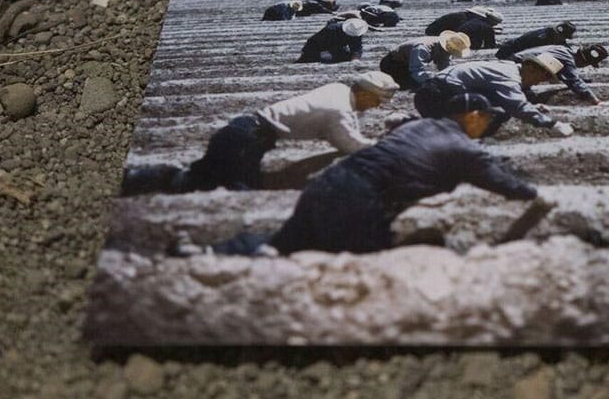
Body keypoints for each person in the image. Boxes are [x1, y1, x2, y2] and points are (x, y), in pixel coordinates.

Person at [211, 94, 544, 256]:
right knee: (368, 261)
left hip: (329, 183)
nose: (488, 125)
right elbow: (501, 182)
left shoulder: (419, 126)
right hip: (359, 201)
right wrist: (536, 196)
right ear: (472, 115)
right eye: (487, 119)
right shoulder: (463, 147)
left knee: (286, 243)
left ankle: (214, 253)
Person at [120, 73, 399, 195]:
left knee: (198, 178)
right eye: (377, 101)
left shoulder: (338, 89)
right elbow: (349, 143)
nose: (376, 107)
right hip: (248, 142)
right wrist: (383, 147)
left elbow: (346, 125)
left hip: (242, 131)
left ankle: (134, 178)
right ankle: (135, 180)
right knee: (242, 192)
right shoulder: (338, 111)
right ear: (365, 93)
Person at [412, 56, 576, 136]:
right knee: (496, 115)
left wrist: (531, 106)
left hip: (433, 93)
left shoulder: (506, 66)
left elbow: (497, 97)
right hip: (436, 97)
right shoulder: (509, 77)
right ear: (532, 70)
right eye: (540, 79)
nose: (538, 83)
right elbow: (516, 105)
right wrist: (553, 124)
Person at [506, 43, 609, 107]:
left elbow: (565, 74)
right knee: (523, 97)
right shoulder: (567, 61)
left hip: (516, 60)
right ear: (584, 62)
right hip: (519, 67)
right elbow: (574, 81)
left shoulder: (563, 50)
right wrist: (597, 102)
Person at [377, 30, 472, 89]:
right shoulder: (422, 48)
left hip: (407, 64)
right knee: (416, 85)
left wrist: (448, 78)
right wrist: (432, 82)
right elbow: (416, 70)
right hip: (393, 65)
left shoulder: (443, 47)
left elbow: (444, 66)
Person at [297, 16, 368, 63]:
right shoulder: (331, 29)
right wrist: (321, 53)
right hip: (318, 49)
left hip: (335, 49)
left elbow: (357, 48)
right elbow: (312, 42)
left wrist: (355, 58)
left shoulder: (357, 32)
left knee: (346, 56)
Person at [424, 6, 502, 50]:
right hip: (435, 33)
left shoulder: (462, 17)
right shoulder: (462, 19)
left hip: (436, 32)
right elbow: (490, 45)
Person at [495, 20, 577, 60]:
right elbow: (527, 54)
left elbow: (564, 46)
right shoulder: (540, 39)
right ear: (558, 34)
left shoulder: (553, 35)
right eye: (564, 37)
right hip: (509, 52)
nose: (564, 39)